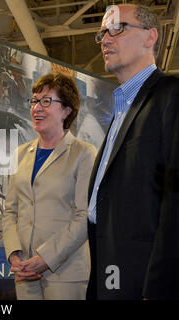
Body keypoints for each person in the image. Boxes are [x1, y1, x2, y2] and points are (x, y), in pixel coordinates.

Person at [87, 4, 179, 300]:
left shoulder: (171, 95)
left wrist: (159, 287)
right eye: (102, 33)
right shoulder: (122, 110)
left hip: (145, 282)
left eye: (118, 28)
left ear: (150, 37)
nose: (106, 39)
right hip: (110, 274)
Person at [2, 72, 96, 300]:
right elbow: (10, 211)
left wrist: (45, 259)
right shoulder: (20, 154)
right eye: (34, 101)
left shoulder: (84, 153)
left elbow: (84, 216)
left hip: (66, 274)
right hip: (24, 272)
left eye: (46, 101)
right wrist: (14, 254)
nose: (36, 108)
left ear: (67, 110)